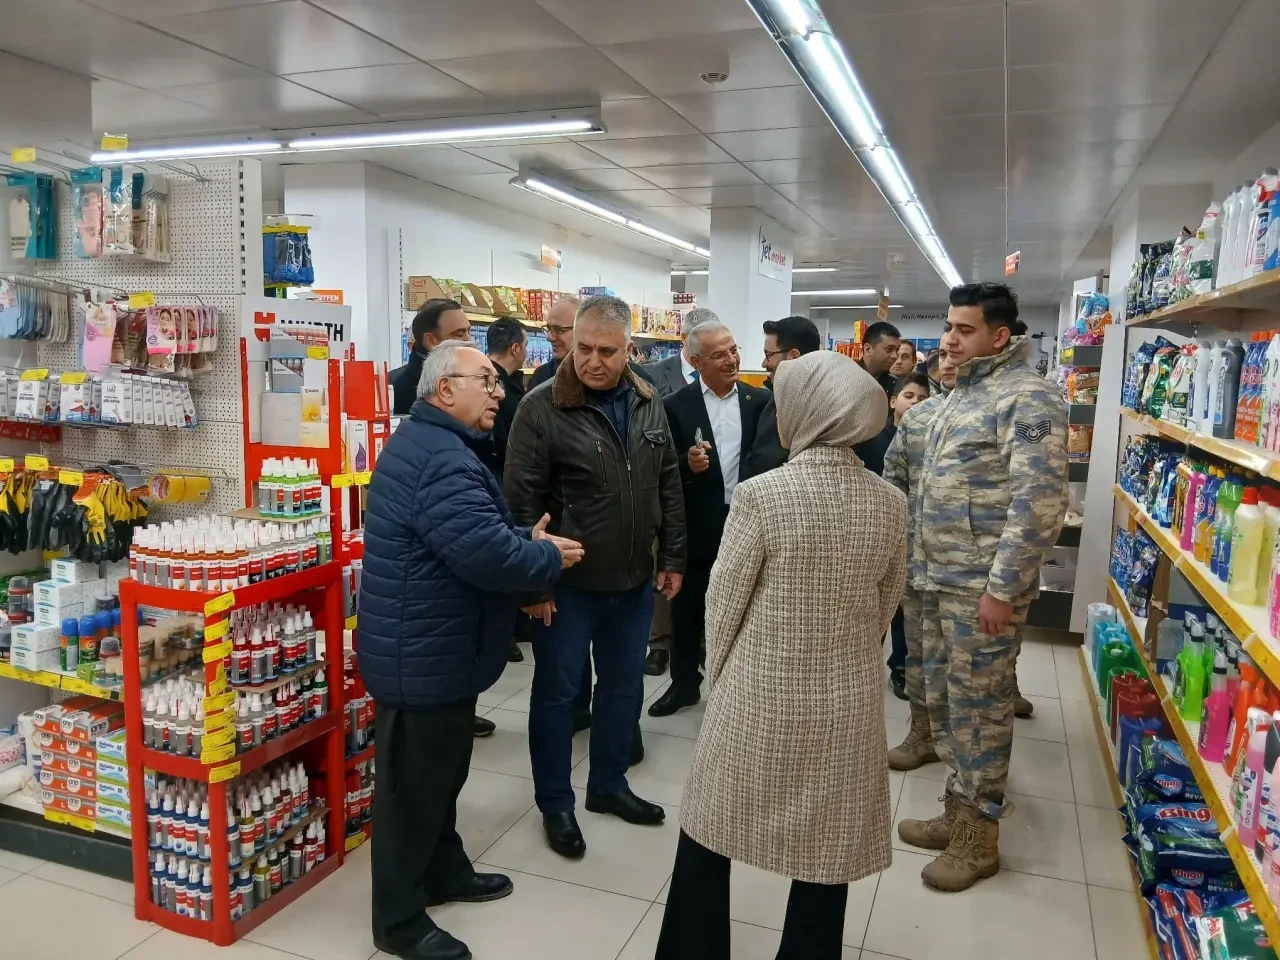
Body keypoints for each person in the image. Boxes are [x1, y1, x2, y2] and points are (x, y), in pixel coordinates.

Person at [655, 351, 907, 959]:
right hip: (846, 701)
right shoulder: (891, 503)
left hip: (757, 694)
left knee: (711, 832)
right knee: (827, 850)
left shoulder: (762, 495)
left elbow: (724, 603)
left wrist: (720, 682)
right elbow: (886, 605)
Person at [360, 341, 584, 960]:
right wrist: (545, 554)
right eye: (484, 380)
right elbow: (483, 555)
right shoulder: (441, 458)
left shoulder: (439, 446)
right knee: (412, 792)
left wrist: (518, 537)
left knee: (441, 776)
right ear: (443, 389)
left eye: (496, 380)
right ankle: (398, 921)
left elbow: (468, 532)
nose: (498, 390)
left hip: (436, 647)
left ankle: (444, 871)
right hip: (420, 654)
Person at [896, 282, 1068, 892]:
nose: (948, 340)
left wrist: (1003, 588)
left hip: (981, 592)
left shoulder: (1028, 396)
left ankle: (980, 839)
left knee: (980, 712)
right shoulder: (956, 397)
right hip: (934, 581)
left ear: (1000, 335)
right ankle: (957, 810)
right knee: (944, 704)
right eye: (948, 327)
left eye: (963, 330)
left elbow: (1040, 504)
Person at [504, 295, 686, 860]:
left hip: (632, 582)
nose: (593, 360)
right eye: (584, 348)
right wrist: (533, 586)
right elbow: (519, 506)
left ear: (629, 350)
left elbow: (669, 484)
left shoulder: (650, 401)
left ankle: (608, 785)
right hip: (566, 586)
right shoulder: (540, 408)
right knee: (558, 696)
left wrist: (672, 557)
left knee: (623, 690)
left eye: (608, 351)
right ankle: (556, 803)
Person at [649, 321, 768, 718]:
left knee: (745, 609)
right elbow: (663, 471)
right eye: (719, 355)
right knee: (687, 609)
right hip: (699, 524)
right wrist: (687, 465)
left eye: (733, 350)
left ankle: (737, 690)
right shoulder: (675, 406)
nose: (732, 359)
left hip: (747, 523)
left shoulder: (759, 401)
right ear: (697, 361)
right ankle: (684, 685)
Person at [638, 311, 718, 677]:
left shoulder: (739, 393)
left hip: (710, 497)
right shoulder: (656, 375)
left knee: (704, 578)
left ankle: (700, 644)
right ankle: (659, 643)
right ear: (687, 342)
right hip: (665, 489)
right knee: (664, 569)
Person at [884, 359, 954, 723]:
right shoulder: (918, 418)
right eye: (943, 350)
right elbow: (893, 483)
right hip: (917, 561)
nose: (951, 356)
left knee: (972, 668)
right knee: (917, 651)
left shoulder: (1008, 408)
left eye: (964, 335)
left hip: (975, 573)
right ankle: (922, 731)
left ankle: (970, 761)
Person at [878, 371, 934, 700]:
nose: (914, 403)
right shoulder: (875, 436)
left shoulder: (931, 437)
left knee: (906, 608)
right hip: (883, 529)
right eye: (908, 396)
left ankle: (903, 665)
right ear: (893, 400)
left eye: (922, 398)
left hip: (917, 539)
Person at [486, 316, 531, 664]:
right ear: (515, 348)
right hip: (501, 485)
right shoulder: (504, 391)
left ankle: (513, 625)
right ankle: (507, 631)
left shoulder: (506, 385)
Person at [743, 315, 821, 478]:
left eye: (769, 355)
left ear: (793, 356)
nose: (764, 363)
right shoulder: (776, 396)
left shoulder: (815, 408)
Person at [390, 299, 471, 415]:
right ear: (431, 341)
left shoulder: (471, 378)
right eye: (459, 334)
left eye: (469, 331)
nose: (469, 340)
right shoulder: (395, 389)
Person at [645, 306, 720, 397]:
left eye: (715, 340)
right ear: (684, 338)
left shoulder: (723, 373)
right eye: (704, 341)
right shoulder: (651, 374)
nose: (712, 347)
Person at [858, 320, 903, 396]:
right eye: (889, 349)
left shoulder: (897, 386)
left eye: (897, 350)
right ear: (868, 349)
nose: (895, 356)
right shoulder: (847, 379)